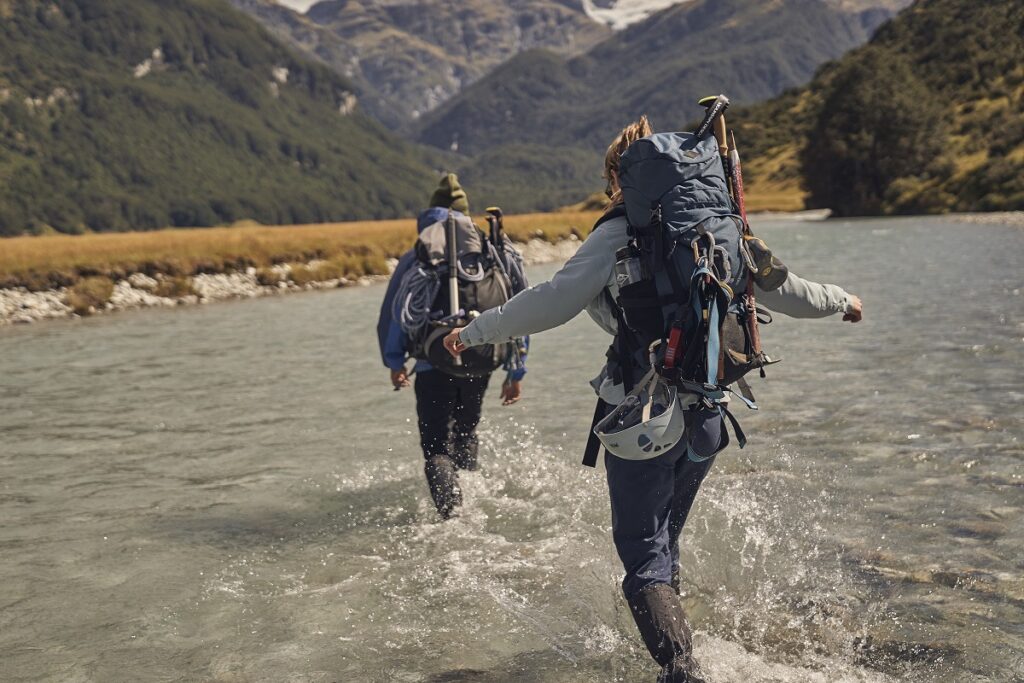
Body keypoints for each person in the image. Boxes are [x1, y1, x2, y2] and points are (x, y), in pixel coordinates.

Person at [441, 118, 863, 682]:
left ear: (619, 176)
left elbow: (551, 302)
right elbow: (787, 289)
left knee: (643, 556)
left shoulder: (620, 232)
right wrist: (843, 300)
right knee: (666, 541)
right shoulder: (723, 226)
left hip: (646, 421)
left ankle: (682, 667)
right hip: (710, 415)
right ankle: (685, 641)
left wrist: (473, 332)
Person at [377, 173, 528, 520]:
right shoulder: (490, 251)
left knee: (436, 447)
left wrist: (395, 361)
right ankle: (472, 500)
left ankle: (452, 519)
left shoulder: (417, 256)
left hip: (433, 363)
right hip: (482, 357)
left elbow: (394, 316)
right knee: (467, 431)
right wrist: (516, 369)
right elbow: (518, 307)